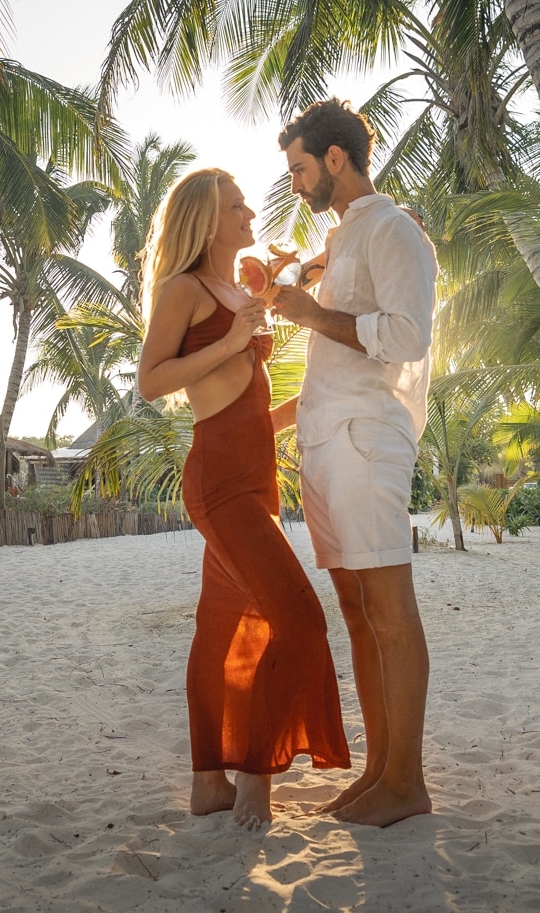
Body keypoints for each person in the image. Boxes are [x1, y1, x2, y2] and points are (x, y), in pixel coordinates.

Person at [137, 168, 352, 830]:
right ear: (206, 220)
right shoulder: (185, 289)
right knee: (300, 620)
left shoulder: (239, 284)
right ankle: (256, 774)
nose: (250, 210)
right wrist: (233, 340)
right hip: (220, 480)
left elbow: (250, 398)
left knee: (218, 631)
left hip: (258, 478)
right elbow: (150, 381)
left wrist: (311, 403)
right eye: (236, 205)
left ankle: (209, 781)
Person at [270, 98, 438, 828]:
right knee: (358, 610)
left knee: (390, 609)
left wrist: (307, 314)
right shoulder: (342, 242)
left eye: (302, 170)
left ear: (336, 159)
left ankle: (408, 781)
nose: (297, 185)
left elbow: (406, 337)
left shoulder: (395, 230)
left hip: (369, 436)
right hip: (329, 439)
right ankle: (379, 771)